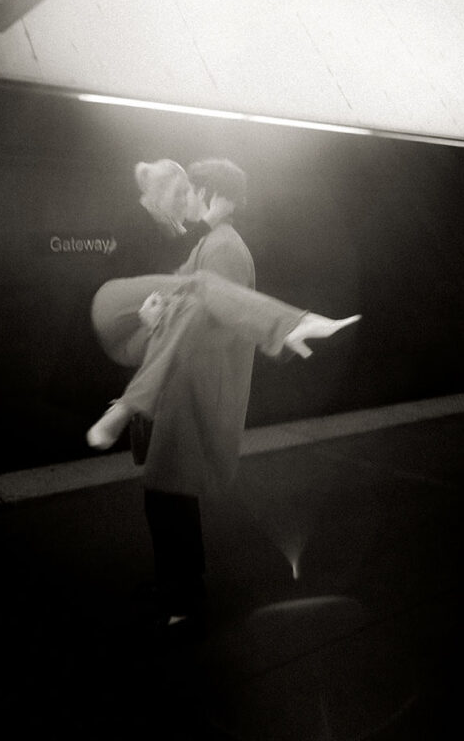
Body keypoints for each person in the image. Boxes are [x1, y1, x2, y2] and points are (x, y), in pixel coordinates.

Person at [87, 159, 361, 632]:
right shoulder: (212, 245)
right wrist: (157, 315)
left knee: (168, 497)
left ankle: (182, 598)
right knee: (168, 495)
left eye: (193, 191)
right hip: (185, 382)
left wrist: (161, 324)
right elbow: (191, 308)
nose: (187, 200)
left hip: (193, 386)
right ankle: (178, 590)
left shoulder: (224, 249)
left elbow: (211, 321)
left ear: (213, 194)